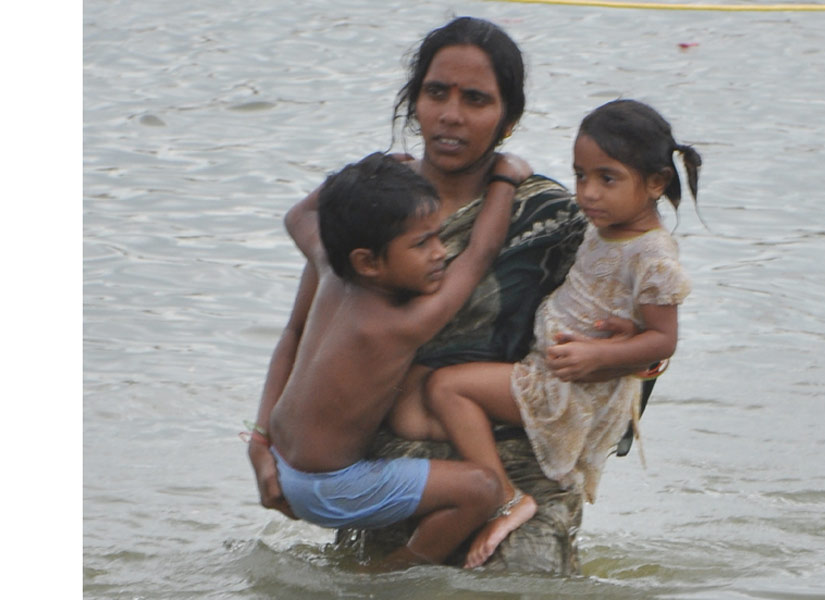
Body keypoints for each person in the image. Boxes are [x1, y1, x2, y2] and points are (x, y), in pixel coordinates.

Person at [248, 16, 629, 573]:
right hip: (385, 481)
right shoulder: (368, 220)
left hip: (515, 474)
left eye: (476, 99)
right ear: (414, 101)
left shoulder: (551, 221)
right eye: (436, 93)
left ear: (509, 118)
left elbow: (629, 330)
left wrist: (632, 356)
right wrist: (262, 443)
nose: (451, 114)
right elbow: (300, 335)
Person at [414, 99, 701, 568]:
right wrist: (628, 332)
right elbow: (640, 326)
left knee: (447, 388)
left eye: (607, 179)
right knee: (428, 400)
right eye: (581, 175)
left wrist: (596, 357)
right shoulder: (609, 228)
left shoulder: (652, 255)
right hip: (558, 370)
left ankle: (506, 499)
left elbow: (664, 340)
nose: (588, 192)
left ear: (655, 183)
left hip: (569, 386)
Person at [263, 150, 531, 567]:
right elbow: (480, 253)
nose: (441, 252)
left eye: (439, 236)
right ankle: (390, 574)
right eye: (422, 243)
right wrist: (506, 179)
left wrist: (370, 168)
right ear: (368, 262)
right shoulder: (396, 323)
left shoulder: (331, 267)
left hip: (282, 460)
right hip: (330, 486)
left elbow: (298, 215)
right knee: (483, 488)